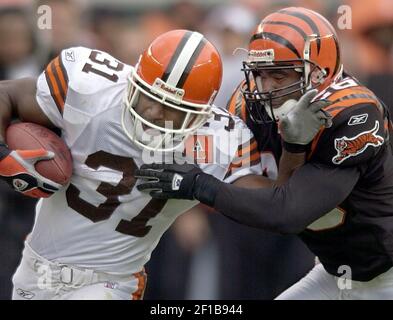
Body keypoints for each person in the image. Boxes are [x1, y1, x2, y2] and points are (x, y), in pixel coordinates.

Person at [0, 29, 325, 300]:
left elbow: (278, 207)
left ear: (200, 115)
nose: (154, 114)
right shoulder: (90, 87)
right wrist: (4, 155)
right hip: (34, 267)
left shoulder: (219, 142)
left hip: (110, 283)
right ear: (133, 80)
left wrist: (293, 148)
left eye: (172, 109)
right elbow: (7, 95)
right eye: (149, 97)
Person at [135, 7, 393, 300]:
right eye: (259, 73)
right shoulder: (248, 105)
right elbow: (264, 194)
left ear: (319, 74)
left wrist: (198, 186)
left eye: (279, 76)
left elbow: (287, 212)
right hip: (335, 273)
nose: (264, 87)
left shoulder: (354, 115)